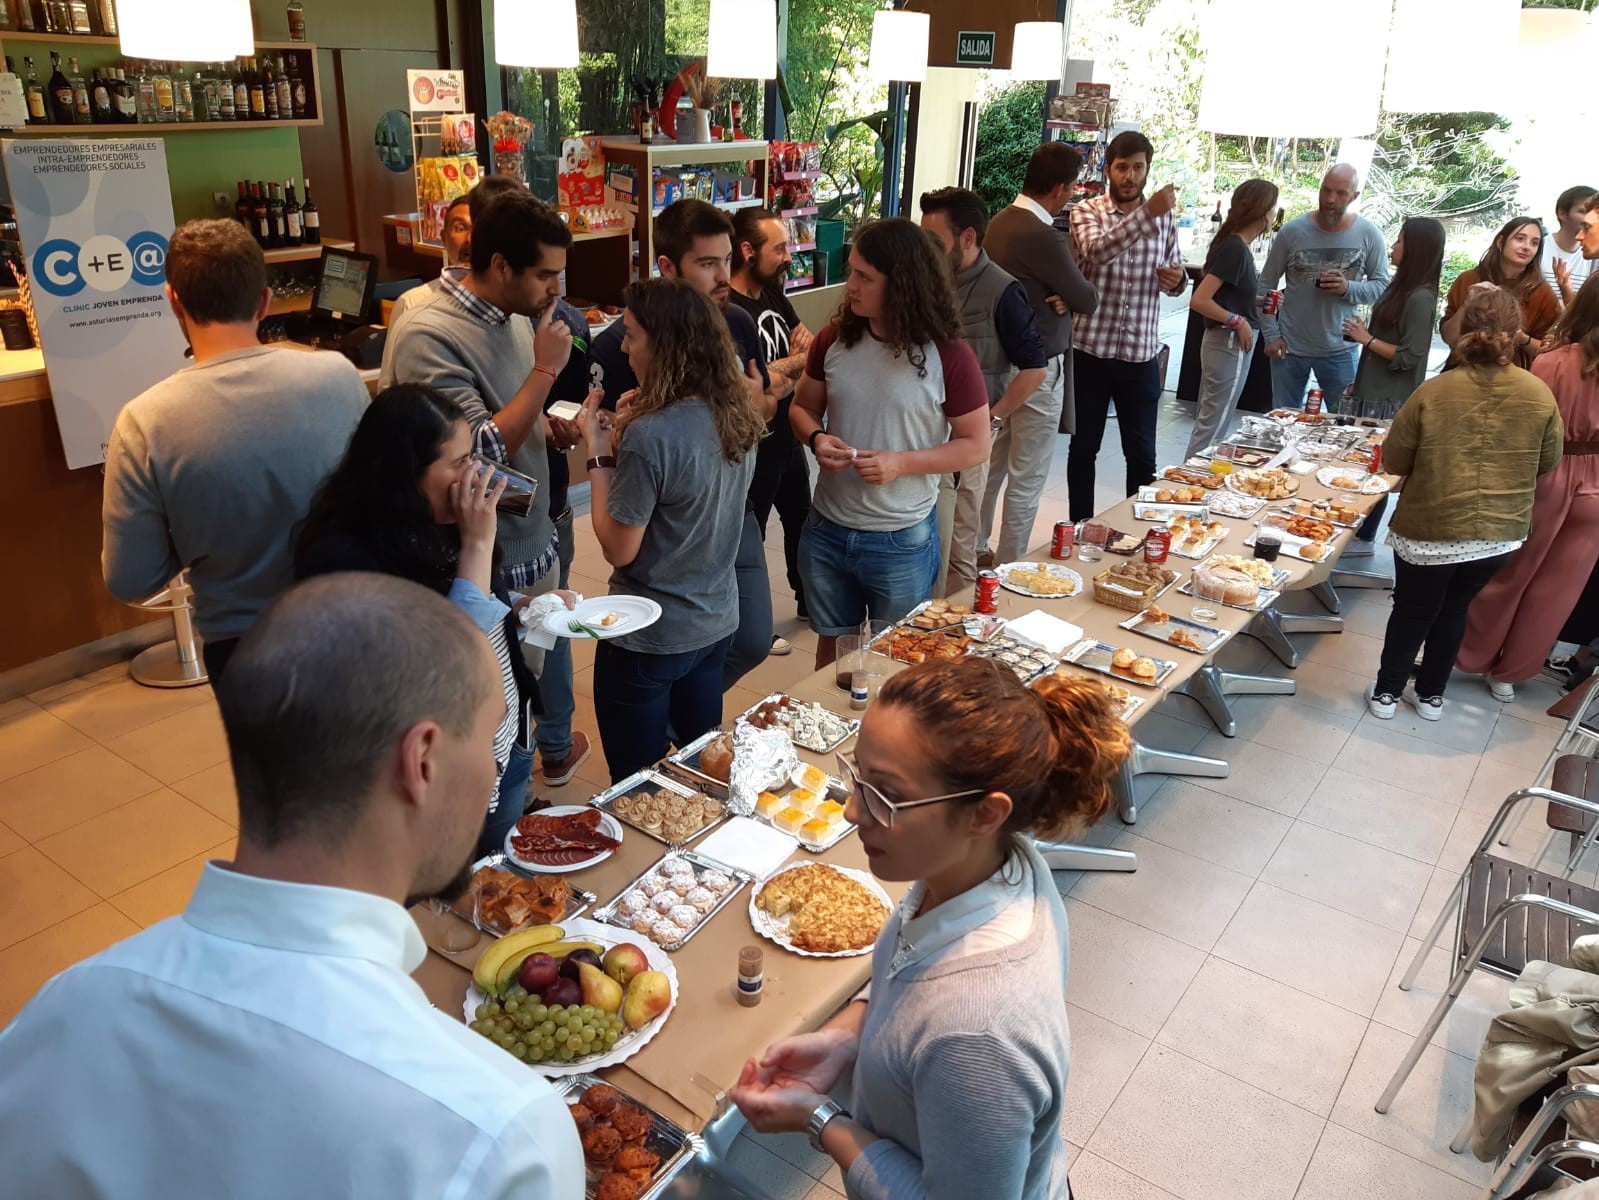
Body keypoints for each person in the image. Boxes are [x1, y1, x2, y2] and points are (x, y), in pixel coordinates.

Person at [0, 573, 586, 1196]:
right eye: (492, 734)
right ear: (423, 762)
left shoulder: (54, 1015)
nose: (496, 767)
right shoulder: (497, 1131)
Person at [730, 656, 1131, 1200]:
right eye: (858, 778)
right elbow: (912, 965)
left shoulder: (978, 1032)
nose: (852, 812)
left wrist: (823, 1120)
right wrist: (845, 1038)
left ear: (984, 814)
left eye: (886, 795)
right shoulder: (992, 866)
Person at [294, 385, 576, 856]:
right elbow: (448, 668)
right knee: (453, 902)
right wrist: (478, 545)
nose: (478, 475)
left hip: (504, 742)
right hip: (440, 776)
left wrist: (522, 606)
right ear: (405, 473)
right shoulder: (344, 559)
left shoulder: (439, 522)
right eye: (461, 462)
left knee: (498, 874)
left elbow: (472, 596)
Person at [381, 190, 593, 792]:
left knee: (522, 696)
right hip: (482, 557)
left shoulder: (513, 314)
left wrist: (546, 426)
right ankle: (498, 822)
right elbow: (474, 455)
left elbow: (510, 417)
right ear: (501, 266)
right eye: (545, 275)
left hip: (529, 538)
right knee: (488, 712)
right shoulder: (431, 333)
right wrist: (545, 372)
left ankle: (517, 793)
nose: (556, 289)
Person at [101, 218, 368, 684]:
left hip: (246, 649)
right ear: (264, 300)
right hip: (361, 620)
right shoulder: (339, 377)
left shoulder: (144, 421)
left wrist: (192, 537)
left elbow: (130, 579)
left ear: (173, 302)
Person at [576, 278, 765, 782]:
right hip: (713, 623)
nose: (622, 344)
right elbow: (683, 504)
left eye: (633, 334)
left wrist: (597, 454)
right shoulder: (737, 412)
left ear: (665, 345)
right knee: (698, 774)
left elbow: (619, 546)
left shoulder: (651, 432)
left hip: (648, 636)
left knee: (638, 790)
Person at [789, 218, 991, 669]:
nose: (851, 285)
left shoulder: (949, 355)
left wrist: (902, 462)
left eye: (865, 277)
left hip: (901, 539)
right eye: (852, 271)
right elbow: (801, 409)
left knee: (897, 659)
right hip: (827, 529)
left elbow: (976, 445)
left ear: (902, 285)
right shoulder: (835, 339)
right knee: (834, 656)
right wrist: (816, 437)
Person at [589, 199, 775, 689]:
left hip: (723, 514)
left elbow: (761, 414)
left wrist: (602, 452)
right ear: (669, 267)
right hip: (666, 530)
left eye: (727, 261)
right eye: (708, 263)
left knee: (749, 638)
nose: (723, 277)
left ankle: (665, 727)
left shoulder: (736, 323)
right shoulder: (616, 347)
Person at [1367, 288, 1563, 723]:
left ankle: (1386, 694)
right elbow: (1548, 462)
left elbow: (1395, 459)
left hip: (1430, 525)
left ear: (1465, 330)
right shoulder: (1539, 394)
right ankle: (1432, 695)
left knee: (1413, 610)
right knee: (1456, 609)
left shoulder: (1435, 391)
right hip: (1500, 532)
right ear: (1516, 334)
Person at [1457, 275, 1599, 700]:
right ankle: (1510, 674)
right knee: (1558, 588)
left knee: (1509, 572)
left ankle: (1470, 655)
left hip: (1550, 471)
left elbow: (1528, 426)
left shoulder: (1555, 361)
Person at [917, 186, 1048, 594]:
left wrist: (991, 418)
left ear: (968, 238)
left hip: (968, 439)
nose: (927, 252)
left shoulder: (1003, 290)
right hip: (921, 432)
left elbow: (1035, 369)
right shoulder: (923, 283)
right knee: (922, 542)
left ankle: (953, 633)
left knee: (961, 546)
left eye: (935, 242)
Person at [982, 142, 1101, 565]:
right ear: (1058, 187)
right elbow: (1086, 297)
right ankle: (1008, 566)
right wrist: (1069, 295)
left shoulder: (998, 223)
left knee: (991, 467)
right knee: (1027, 478)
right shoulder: (1044, 236)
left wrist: (1061, 295)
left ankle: (974, 550)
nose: (1071, 195)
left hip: (999, 362)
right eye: (1070, 188)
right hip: (1038, 367)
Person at [1067, 130, 1188, 521]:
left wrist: (1178, 281)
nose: (1130, 176)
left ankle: (1137, 532)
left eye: (1139, 167)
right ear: (1107, 169)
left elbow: (1175, 269)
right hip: (1090, 350)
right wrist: (1145, 213)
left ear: (1148, 170)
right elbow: (1097, 253)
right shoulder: (1087, 212)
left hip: (1140, 354)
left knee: (1142, 455)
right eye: (1122, 167)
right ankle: (1081, 527)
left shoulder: (1165, 216)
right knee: (1084, 448)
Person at [1339, 217, 1446, 554]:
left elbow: (1410, 357)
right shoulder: (1402, 288)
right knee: (1360, 465)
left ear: (1415, 249)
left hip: (1389, 400)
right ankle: (1354, 531)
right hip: (1370, 392)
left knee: (1376, 470)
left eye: (1400, 241)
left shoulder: (1420, 298)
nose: (1394, 246)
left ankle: (1363, 538)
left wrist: (1366, 339)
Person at [730, 205, 814, 629]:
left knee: (802, 515)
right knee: (752, 531)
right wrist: (795, 360)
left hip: (786, 433)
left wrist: (793, 360)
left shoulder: (773, 294)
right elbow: (753, 383)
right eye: (778, 247)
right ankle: (750, 622)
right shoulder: (729, 309)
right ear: (747, 250)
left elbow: (810, 346)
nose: (787, 256)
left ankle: (808, 600)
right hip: (753, 441)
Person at [1258, 163, 1391, 410]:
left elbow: (1382, 286)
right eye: (1326, 190)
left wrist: (1348, 288)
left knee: (1343, 422)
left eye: (1341, 193)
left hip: (1341, 349)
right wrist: (1271, 335)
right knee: (1282, 420)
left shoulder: (1368, 234)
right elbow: (1265, 285)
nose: (1330, 199)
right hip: (1289, 347)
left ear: (1355, 196)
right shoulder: (1292, 232)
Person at [1183, 178, 1280, 460]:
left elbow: (1228, 295)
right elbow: (1200, 300)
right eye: (1273, 209)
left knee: (1212, 420)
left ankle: (1194, 480)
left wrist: (1260, 302)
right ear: (1263, 212)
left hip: (1223, 341)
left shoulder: (1233, 245)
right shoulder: (1235, 249)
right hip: (1226, 341)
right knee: (1214, 426)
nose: (1274, 215)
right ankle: (1190, 483)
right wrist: (1239, 321)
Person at [1440, 216, 1559, 369]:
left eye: (1534, 243)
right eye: (1520, 238)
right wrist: (1466, 305)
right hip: (1463, 369)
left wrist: (1522, 338)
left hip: (1512, 375)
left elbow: (1547, 349)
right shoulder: (1469, 279)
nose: (1526, 247)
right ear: (1500, 242)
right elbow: (1448, 337)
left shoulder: (1542, 292)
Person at [386, 191, 473, 328]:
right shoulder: (411, 304)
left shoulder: (506, 302)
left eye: (478, 229)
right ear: (444, 238)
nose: (469, 239)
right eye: (460, 228)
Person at [1546, 185, 1597, 308]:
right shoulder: (1537, 247)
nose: (1588, 217)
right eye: (1583, 211)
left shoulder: (1594, 259)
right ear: (1562, 214)